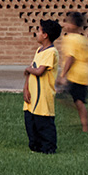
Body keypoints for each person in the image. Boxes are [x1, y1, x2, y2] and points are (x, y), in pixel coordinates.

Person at [23, 18, 61, 154]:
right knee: (31, 122)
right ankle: (35, 146)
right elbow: (32, 69)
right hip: (32, 96)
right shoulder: (39, 50)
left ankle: (48, 148)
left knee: (44, 123)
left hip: (43, 97)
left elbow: (39, 71)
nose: (37, 33)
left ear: (45, 35)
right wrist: (25, 88)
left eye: (39, 30)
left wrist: (28, 69)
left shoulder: (51, 52)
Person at [59, 11, 88, 134]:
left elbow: (70, 58)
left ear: (73, 25)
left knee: (63, 98)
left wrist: (62, 75)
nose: (64, 24)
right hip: (86, 74)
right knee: (78, 101)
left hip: (75, 75)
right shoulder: (83, 39)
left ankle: (87, 120)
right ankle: (85, 126)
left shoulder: (70, 39)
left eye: (67, 22)